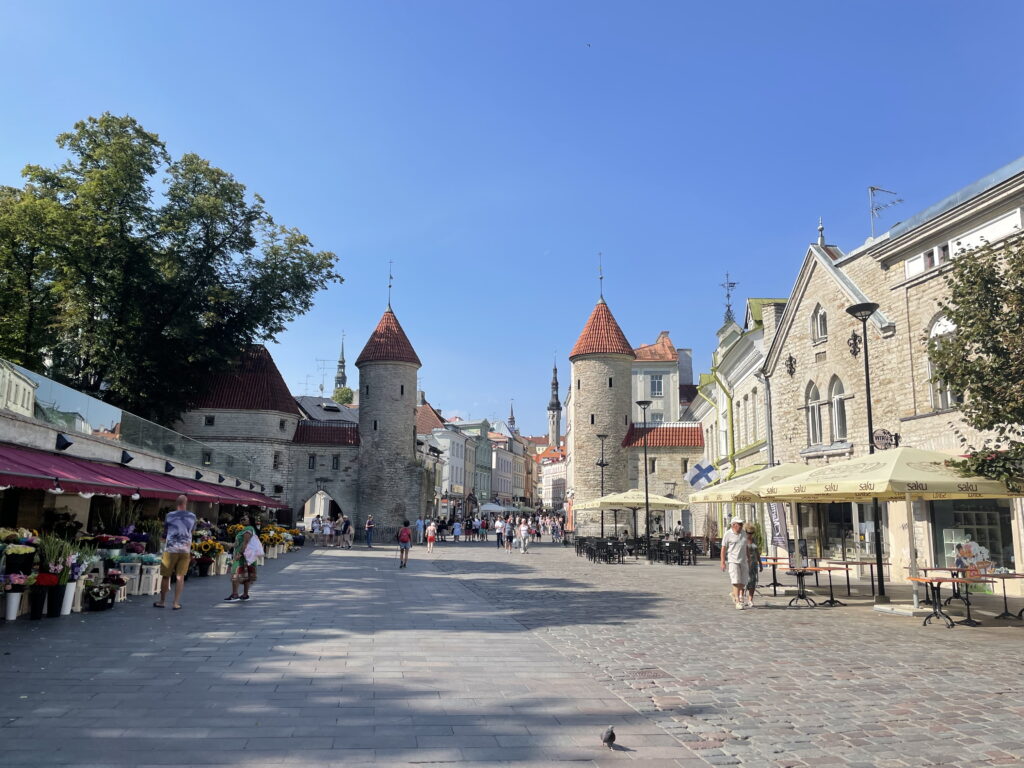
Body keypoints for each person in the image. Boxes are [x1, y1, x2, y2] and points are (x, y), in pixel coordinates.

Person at [155, 494, 196, 610]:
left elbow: (165, 532)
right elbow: (192, 531)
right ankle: (175, 603)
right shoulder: (192, 516)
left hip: (171, 549)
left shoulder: (169, 515)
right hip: (185, 550)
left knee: (165, 576)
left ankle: (162, 601)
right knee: (180, 577)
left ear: (176, 503)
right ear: (186, 503)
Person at [225, 513, 258, 602]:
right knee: (245, 573)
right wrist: (229, 545)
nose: (242, 520)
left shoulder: (249, 529)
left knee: (235, 572)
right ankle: (244, 594)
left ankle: (235, 594)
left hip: (243, 555)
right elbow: (238, 543)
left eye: (245, 519)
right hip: (246, 555)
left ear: (250, 521)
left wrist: (239, 553)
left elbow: (245, 543)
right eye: (242, 519)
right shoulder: (244, 529)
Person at [720, 517, 750, 610]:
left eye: (741, 524)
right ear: (733, 525)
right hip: (733, 560)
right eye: (739, 524)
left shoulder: (744, 533)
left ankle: (734, 593)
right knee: (736, 580)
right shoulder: (728, 534)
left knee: (743, 582)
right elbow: (723, 548)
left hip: (743, 560)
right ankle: (737, 601)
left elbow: (746, 547)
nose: (741, 526)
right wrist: (723, 562)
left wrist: (749, 558)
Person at [744, 522, 762, 608]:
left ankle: (750, 599)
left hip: (754, 564)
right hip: (745, 564)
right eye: (749, 533)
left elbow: (757, 552)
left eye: (752, 533)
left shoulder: (754, 540)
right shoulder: (743, 540)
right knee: (744, 581)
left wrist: (760, 563)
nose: (750, 535)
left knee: (753, 582)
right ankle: (740, 598)